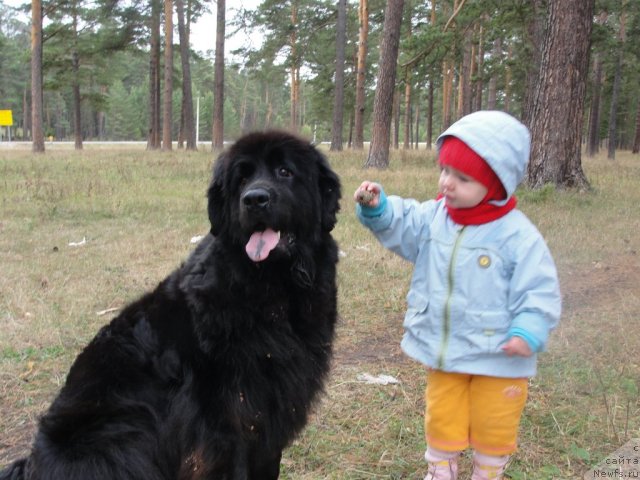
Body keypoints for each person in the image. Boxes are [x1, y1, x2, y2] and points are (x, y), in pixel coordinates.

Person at [354, 110, 562, 480]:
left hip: (499, 356)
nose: (447, 183)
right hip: (444, 350)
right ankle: (441, 470)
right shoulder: (435, 217)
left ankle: (487, 471)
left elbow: (539, 288)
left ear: (496, 184)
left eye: (462, 177)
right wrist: (380, 209)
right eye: (445, 170)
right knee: (442, 415)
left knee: (494, 421)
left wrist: (529, 329)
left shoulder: (518, 236)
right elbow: (405, 222)